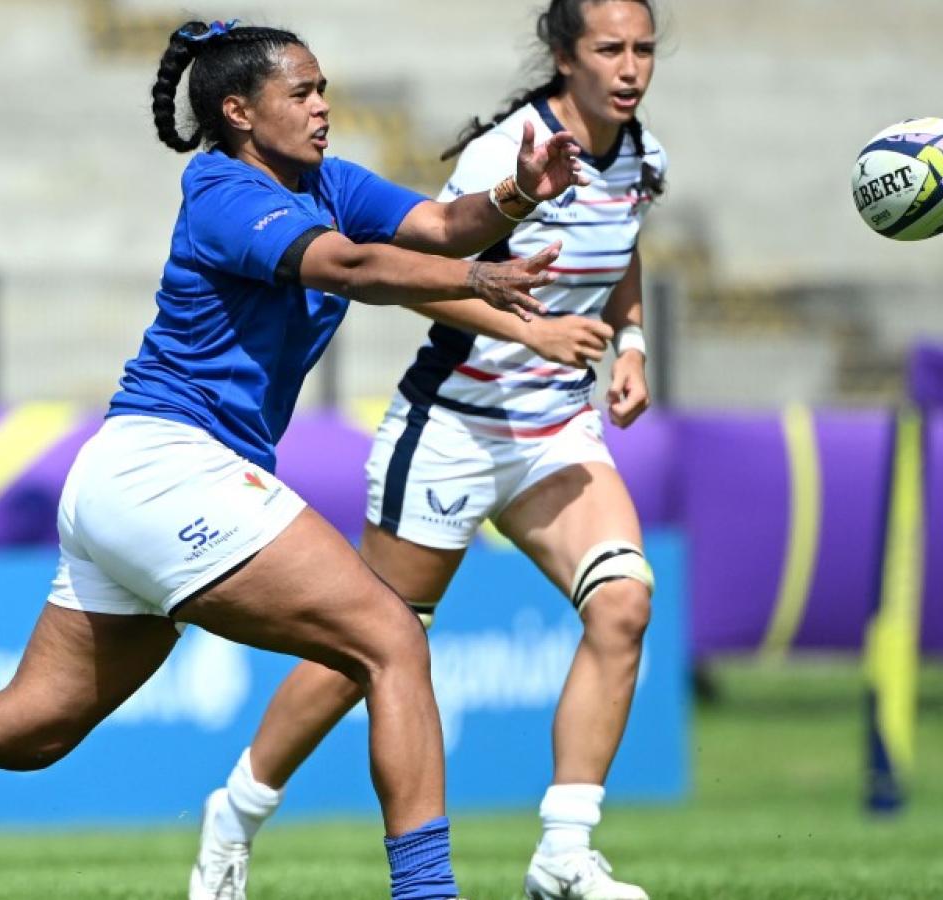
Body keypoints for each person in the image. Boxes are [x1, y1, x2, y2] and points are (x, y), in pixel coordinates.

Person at [0, 18, 587, 900]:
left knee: (21, 728)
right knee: (390, 640)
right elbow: (350, 270)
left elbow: (436, 226)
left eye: (324, 91)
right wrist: (477, 279)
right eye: (301, 92)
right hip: (166, 469)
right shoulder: (222, 192)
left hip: (135, 480)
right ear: (240, 112)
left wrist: (515, 196)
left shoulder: (333, 180)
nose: (320, 106)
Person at [188, 3, 665, 899]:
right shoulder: (508, 150)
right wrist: (533, 331)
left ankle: (564, 854)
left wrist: (629, 344)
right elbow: (416, 277)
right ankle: (238, 811)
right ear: (565, 56)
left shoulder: (644, 155)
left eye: (642, 49)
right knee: (368, 646)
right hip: (453, 427)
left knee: (625, 605)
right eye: (610, 48)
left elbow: (621, 253)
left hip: (556, 429)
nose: (631, 66)